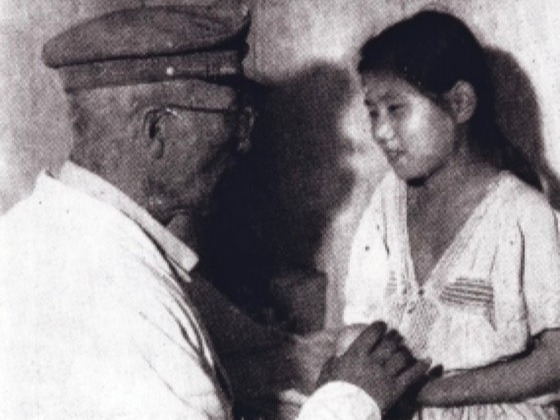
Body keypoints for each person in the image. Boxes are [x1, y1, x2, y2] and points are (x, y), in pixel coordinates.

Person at [0, 5, 429, 420]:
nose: (242, 144)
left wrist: (317, 358)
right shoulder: (117, 296)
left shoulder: (47, 232)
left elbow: (238, 357)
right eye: (233, 119)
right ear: (157, 131)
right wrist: (352, 399)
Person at [343, 9, 560, 420]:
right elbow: (358, 325)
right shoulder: (387, 200)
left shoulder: (524, 215)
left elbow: (555, 360)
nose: (380, 132)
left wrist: (431, 394)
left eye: (396, 109)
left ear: (460, 103)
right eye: (373, 112)